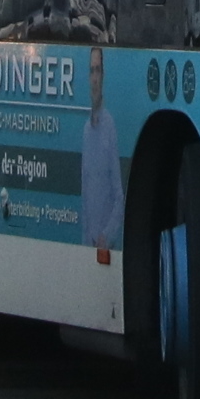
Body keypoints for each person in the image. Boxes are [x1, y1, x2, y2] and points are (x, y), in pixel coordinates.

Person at [77, 44, 125, 255]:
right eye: (91, 71)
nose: (94, 78)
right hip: (88, 247)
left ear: (103, 76)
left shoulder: (109, 127)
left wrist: (107, 235)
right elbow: (85, 196)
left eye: (97, 71)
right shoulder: (86, 131)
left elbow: (119, 196)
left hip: (107, 247)